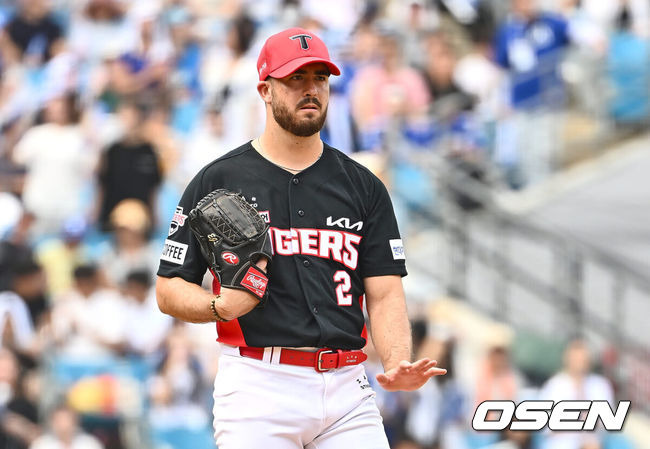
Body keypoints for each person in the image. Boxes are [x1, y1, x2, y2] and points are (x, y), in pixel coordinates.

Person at [156, 27, 447, 448]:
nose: (310, 90)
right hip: (259, 384)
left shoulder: (363, 186)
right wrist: (219, 307)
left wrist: (397, 359)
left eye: (320, 79)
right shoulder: (218, 180)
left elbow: (384, 294)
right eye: (296, 78)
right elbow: (168, 288)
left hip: (348, 386)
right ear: (265, 89)